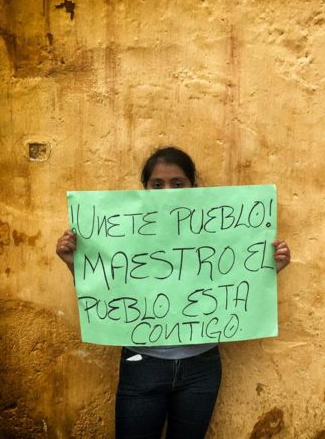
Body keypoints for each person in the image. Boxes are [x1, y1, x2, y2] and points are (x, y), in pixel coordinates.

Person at [55, 146, 291, 439]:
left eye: (177, 184)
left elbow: (234, 277)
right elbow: (109, 289)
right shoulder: (124, 235)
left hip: (201, 366)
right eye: (157, 185)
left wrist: (269, 268)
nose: (167, 192)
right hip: (142, 363)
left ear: (193, 187)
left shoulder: (216, 232)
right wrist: (74, 264)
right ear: (145, 188)